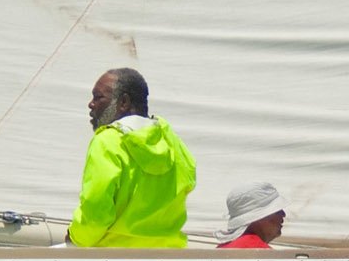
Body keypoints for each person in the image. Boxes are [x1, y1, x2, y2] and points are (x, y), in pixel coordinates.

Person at [67, 68, 197, 248]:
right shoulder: (172, 141)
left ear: (123, 102)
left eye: (98, 97)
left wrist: (75, 237)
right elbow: (188, 183)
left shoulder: (107, 141)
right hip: (169, 259)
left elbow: (96, 213)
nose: (91, 104)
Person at [218, 184, 286, 248]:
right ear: (260, 218)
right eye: (277, 211)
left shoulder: (222, 248)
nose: (283, 214)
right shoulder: (262, 253)